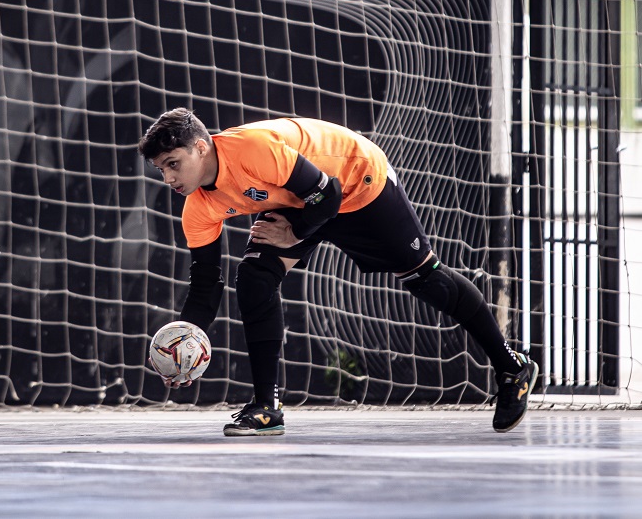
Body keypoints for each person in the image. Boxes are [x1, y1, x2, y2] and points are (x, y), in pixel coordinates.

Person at [138, 108, 537, 437]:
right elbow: (207, 284)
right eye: (161, 170)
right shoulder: (197, 208)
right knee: (255, 278)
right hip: (300, 198)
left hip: (357, 182)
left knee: (427, 281)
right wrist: (184, 345)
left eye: (173, 164)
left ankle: (511, 367)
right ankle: (267, 408)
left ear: (201, 147)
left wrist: (294, 231)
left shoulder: (252, 151)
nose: (169, 178)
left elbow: (327, 194)